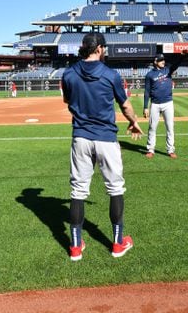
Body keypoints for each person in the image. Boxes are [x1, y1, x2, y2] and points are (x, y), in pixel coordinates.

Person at [61, 32, 143, 261]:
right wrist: (134, 122)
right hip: (106, 138)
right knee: (115, 188)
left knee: (78, 191)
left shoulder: (68, 73)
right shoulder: (111, 75)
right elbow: (125, 105)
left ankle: (76, 247)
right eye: (104, 48)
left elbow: (68, 101)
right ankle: (117, 243)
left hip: (81, 137)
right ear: (98, 49)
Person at [143, 53, 182, 159]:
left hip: (168, 103)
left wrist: (182, 56)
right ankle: (150, 149)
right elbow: (147, 91)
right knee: (152, 127)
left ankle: (170, 150)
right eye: (160, 60)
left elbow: (176, 64)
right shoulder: (150, 75)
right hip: (155, 104)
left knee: (170, 127)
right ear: (155, 62)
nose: (163, 61)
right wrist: (145, 107)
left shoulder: (167, 70)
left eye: (163, 60)